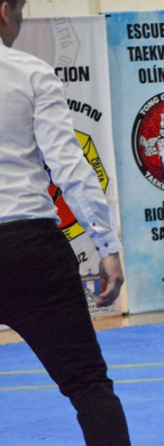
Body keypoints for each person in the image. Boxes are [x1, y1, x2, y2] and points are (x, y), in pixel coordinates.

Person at [0, 1, 131, 444]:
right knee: (88, 385)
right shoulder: (30, 73)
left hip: (27, 244)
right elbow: (70, 168)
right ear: (4, 10)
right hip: (30, 248)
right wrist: (106, 246)